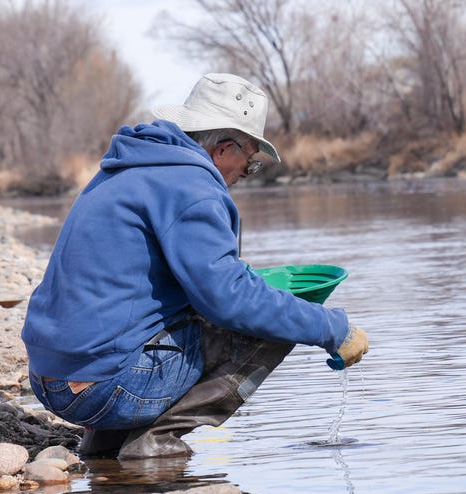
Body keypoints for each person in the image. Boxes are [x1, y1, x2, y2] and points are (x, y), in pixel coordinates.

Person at [21, 73, 368, 460]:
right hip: (105, 390)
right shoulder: (191, 186)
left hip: (50, 378)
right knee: (271, 326)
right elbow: (229, 299)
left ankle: (106, 443)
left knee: (224, 310)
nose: (243, 174)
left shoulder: (129, 166)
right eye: (249, 161)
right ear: (223, 149)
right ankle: (155, 440)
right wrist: (328, 327)